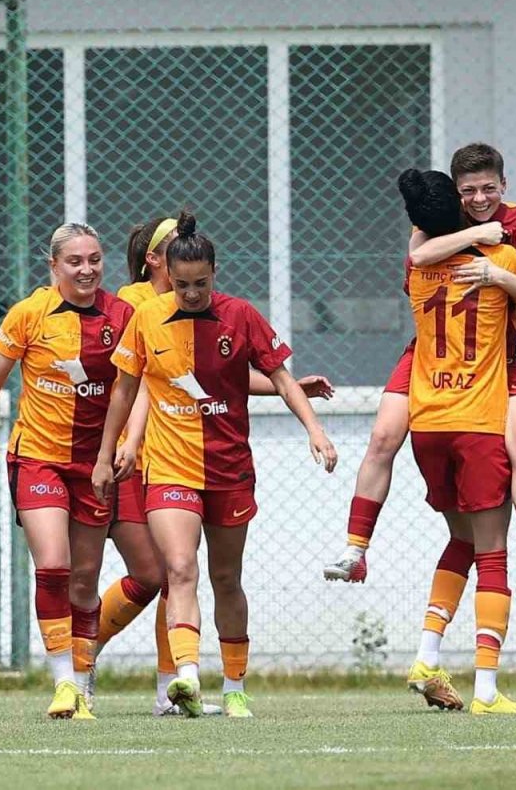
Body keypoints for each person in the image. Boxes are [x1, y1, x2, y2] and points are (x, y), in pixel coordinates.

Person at [92, 212, 338, 719]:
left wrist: (314, 429)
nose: (191, 293)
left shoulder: (241, 316)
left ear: (215, 273)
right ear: (168, 278)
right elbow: (127, 390)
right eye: (182, 285)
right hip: (171, 467)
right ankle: (185, 677)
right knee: (179, 569)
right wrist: (111, 451)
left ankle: (234, 687)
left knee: (226, 578)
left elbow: (283, 379)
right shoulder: (146, 319)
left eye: (200, 283)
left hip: (229, 470)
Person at [324, 142, 516, 591]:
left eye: (489, 189)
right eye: (469, 191)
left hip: (494, 359)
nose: (479, 199)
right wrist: (474, 237)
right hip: (430, 354)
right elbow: (417, 257)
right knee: (383, 436)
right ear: (456, 192)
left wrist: (498, 278)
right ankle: (355, 549)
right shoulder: (436, 218)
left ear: (503, 186)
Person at [0, 223, 132, 720]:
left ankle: (82, 685)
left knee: (85, 579)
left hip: (97, 463)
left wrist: (123, 448)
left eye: (94, 259)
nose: (86, 269)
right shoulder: (29, 314)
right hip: (38, 456)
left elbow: (141, 383)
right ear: (54, 266)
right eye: (75, 261)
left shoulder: (123, 315)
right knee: (54, 564)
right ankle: (63, 683)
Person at [397, 168, 516, 715]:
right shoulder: (501, 261)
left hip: (428, 422)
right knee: (495, 552)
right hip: (477, 418)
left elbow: (421, 252)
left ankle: (427, 655)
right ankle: (485, 691)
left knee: (463, 542)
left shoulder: (415, 272)